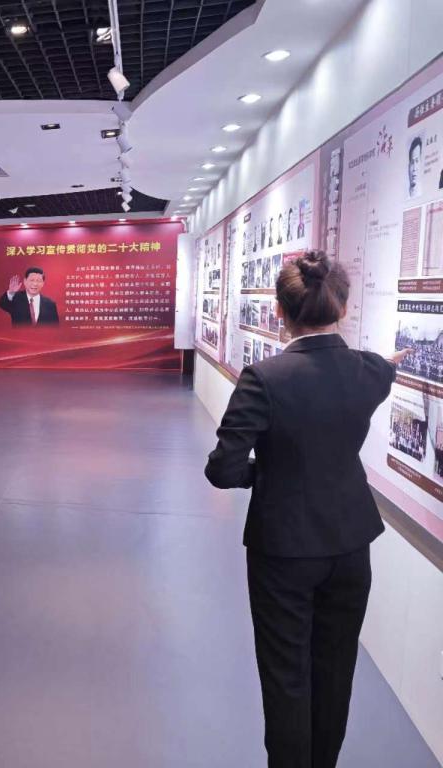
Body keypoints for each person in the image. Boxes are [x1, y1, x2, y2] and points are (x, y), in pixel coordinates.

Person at [204, 251, 410, 767]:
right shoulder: (368, 372)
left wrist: (268, 473)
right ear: (343, 307)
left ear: (279, 311)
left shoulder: (264, 378)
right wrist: (388, 363)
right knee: (335, 671)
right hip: (351, 545)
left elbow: (223, 469)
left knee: (286, 677)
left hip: (284, 549)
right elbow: (383, 369)